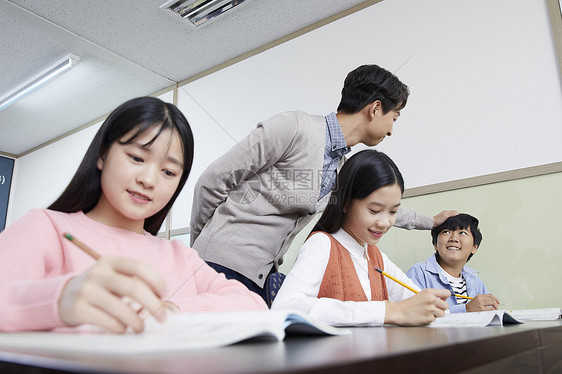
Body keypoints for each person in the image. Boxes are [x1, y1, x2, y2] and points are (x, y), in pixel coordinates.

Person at [0, 97, 267, 333]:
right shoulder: (47, 228)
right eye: (137, 158)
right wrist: (57, 300)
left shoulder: (180, 255)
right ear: (103, 155)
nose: (149, 180)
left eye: (169, 172)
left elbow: (253, 306)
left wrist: (170, 311)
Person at [190, 64, 457, 300]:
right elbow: (212, 181)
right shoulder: (294, 127)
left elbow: (376, 206)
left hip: (261, 277)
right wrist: (200, 250)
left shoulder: (341, 168)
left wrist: (431, 222)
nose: (391, 130)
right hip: (219, 265)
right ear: (375, 109)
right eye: (393, 118)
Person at [270, 150, 450, 326]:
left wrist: (432, 306)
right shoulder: (322, 244)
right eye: (374, 210)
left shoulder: (375, 257)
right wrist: (387, 311)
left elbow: (416, 300)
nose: (384, 222)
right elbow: (285, 307)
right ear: (346, 203)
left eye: (393, 212)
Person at [406, 214, 500, 313]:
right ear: (435, 245)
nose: (454, 238)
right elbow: (412, 313)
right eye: (446, 232)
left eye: (462, 233)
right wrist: (466, 309)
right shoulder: (418, 273)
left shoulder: (474, 279)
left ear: (474, 247)